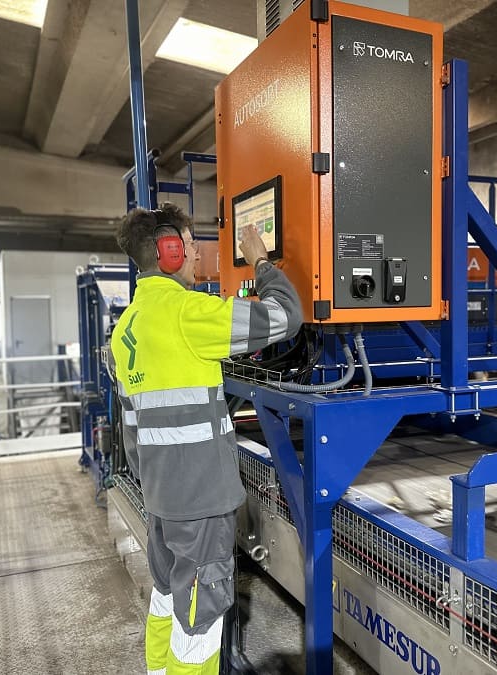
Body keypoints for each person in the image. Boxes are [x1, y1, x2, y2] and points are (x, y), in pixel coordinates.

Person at [111, 204, 303, 675]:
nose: (200, 256)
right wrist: (262, 262)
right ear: (170, 251)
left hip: (161, 500)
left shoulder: (126, 328)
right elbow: (286, 316)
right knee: (201, 622)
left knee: (167, 597)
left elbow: (132, 431)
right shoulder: (189, 312)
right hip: (199, 504)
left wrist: (163, 486)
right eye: (193, 246)